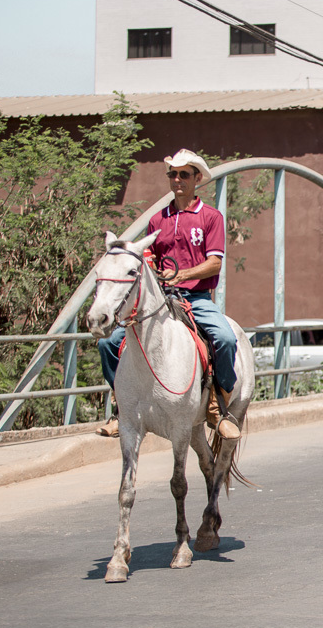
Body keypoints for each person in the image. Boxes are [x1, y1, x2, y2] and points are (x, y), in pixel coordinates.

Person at [95, 149, 241, 440]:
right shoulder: (157, 220)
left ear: (197, 179)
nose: (177, 179)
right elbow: (148, 258)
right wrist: (150, 268)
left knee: (224, 338)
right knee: (108, 343)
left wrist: (182, 275)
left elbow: (214, 263)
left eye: (184, 174)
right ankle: (121, 409)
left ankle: (218, 407)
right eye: (172, 174)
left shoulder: (211, 217)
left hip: (196, 298)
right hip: (160, 300)